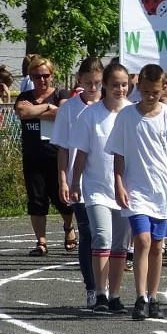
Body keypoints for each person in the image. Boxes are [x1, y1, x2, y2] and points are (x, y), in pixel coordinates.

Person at [106, 64, 167, 320]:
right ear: (137, 87)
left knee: (157, 245)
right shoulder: (126, 117)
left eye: (154, 91)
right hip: (136, 190)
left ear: (163, 88)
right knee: (141, 240)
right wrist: (118, 183)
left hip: (162, 190)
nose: (149, 96)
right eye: (144, 91)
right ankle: (140, 297)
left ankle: (154, 297)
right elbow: (118, 154)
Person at [69, 62, 132, 314]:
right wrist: (75, 182)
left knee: (120, 244)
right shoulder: (90, 115)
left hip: (127, 190)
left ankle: (115, 295)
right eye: (115, 84)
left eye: (124, 84)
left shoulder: (132, 112)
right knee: (101, 237)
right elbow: (80, 153)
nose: (119, 89)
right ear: (104, 85)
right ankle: (100, 293)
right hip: (96, 188)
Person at [51, 57, 104, 307]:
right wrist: (64, 179)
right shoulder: (70, 109)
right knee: (88, 233)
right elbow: (62, 148)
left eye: (97, 83)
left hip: (106, 180)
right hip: (79, 181)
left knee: (108, 236)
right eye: (88, 83)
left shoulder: (111, 105)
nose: (93, 88)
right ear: (79, 81)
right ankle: (92, 287)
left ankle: (106, 288)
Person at [13, 56, 73, 257]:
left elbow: (63, 113)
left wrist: (35, 111)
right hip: (33, 156)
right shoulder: (25, 95)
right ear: (31, 76)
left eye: (45, 75)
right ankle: (41, 241)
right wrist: (47, 108)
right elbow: (22, 111)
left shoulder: (61, 93)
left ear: (52, 75)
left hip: (57, 155)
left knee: (61, 198)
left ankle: (68, 226)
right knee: (36, 199)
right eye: (37, 76)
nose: (42, 80)